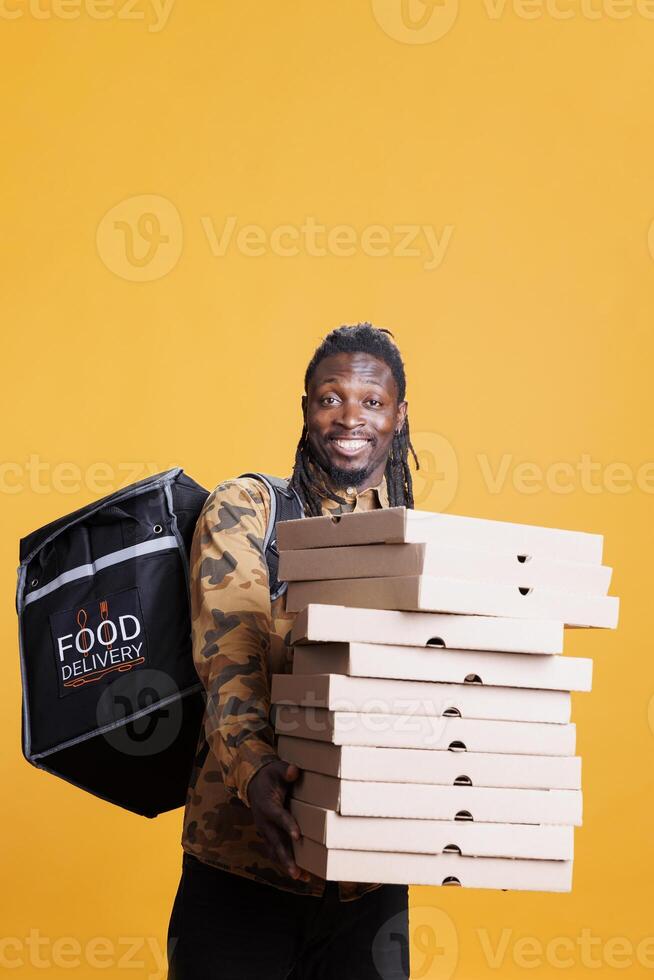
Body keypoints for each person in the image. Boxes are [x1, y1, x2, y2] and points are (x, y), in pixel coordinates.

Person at [167, 323, 419, 980]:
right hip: (245, 868)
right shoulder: (246, 509)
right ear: (306, 409)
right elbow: (230, 661)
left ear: (399, 416)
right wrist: (257, 772)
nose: (349, 417)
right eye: (330, 398)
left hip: (370, 884)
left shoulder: (413, 544)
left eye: (371, 401)